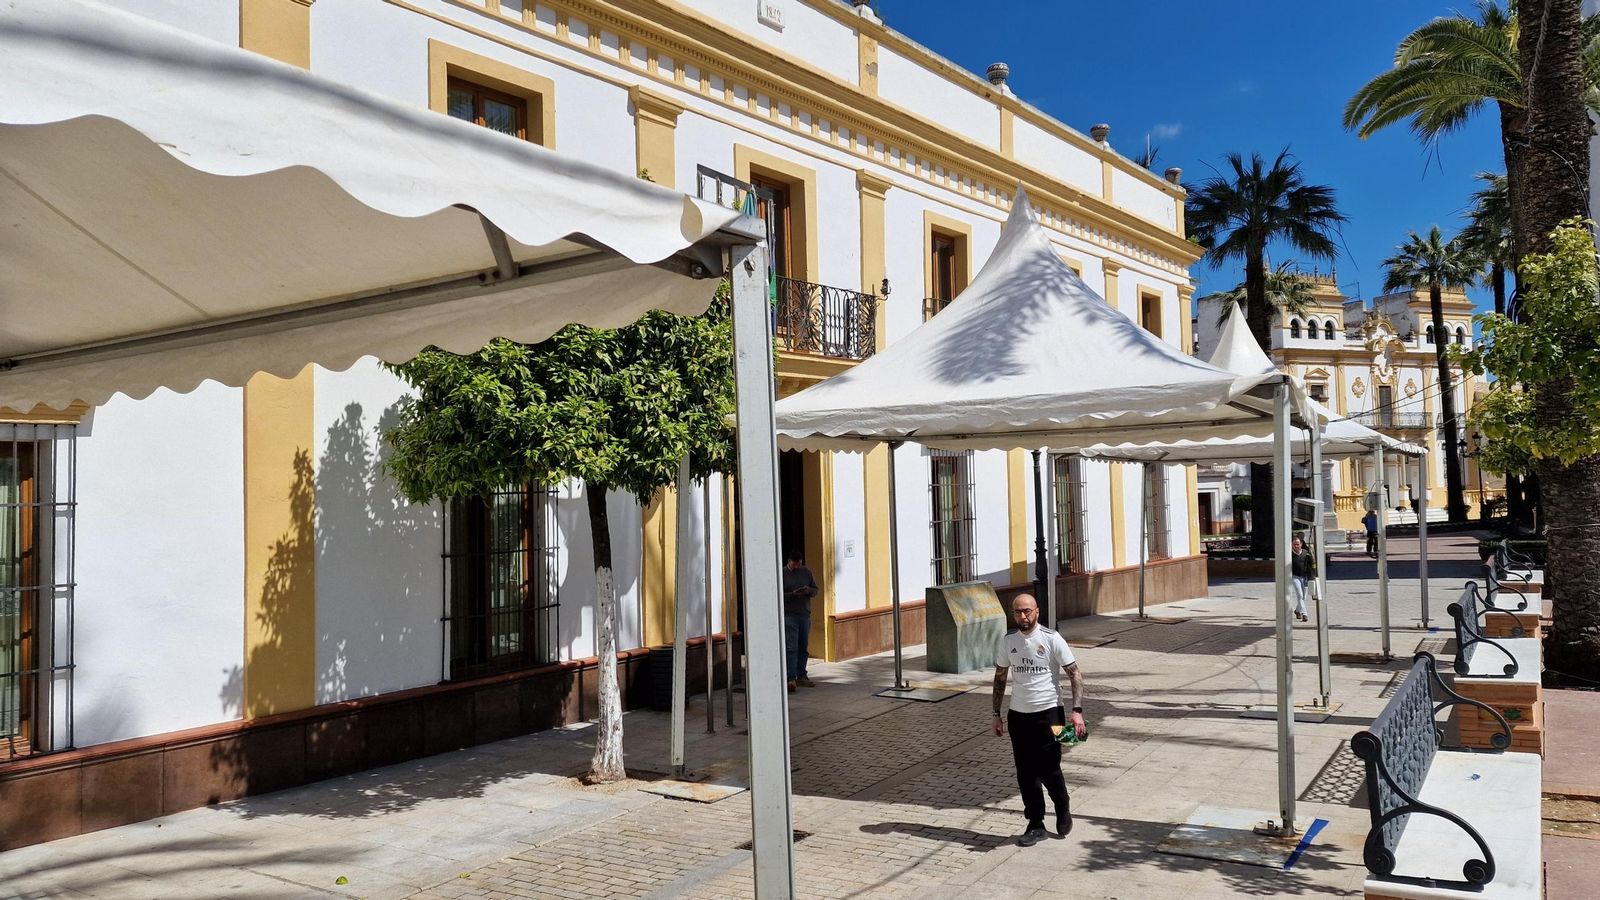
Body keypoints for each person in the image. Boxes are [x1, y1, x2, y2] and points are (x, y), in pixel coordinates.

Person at [992, 593, 1085, 847]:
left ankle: (1062, 804)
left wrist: (1076, 711)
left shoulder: (1052, 638)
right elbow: (1000, 677)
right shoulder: (1008, 641)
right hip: (1018, 715)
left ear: (1037, 612)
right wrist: (996, 714)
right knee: (1025, 772)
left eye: (1027, 611)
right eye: (1017, 612)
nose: (1022, 616)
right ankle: (1035, 823)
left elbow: (1074, 673)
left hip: (1050, 712)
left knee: (1049, 768)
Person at [782, 553, 817, 693]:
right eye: (794, 564)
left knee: (803, 646)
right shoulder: (782, 574)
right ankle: (790, 677)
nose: (796, 567)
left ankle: (802, 675)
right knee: (791, 646)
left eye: (799, 564)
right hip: (789, 615)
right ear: (788, 562)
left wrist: (808, 590)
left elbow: (816, 590)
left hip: (804, 614)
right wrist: (792, 595)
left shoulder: (806, 572)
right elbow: (776, 593)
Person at [1290, 535, 1312, 623]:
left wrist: (1312, 576)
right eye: (1294, 544)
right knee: (1299, 594)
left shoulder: (1306, 553)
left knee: (1304, 596)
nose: (1296, 546)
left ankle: (1297, 610)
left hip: (1305, 577)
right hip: (1295, 576)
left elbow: (1311, 565)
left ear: (1301, 544)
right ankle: (1304, 614)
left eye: (1297, 544)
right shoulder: (1289, 554)